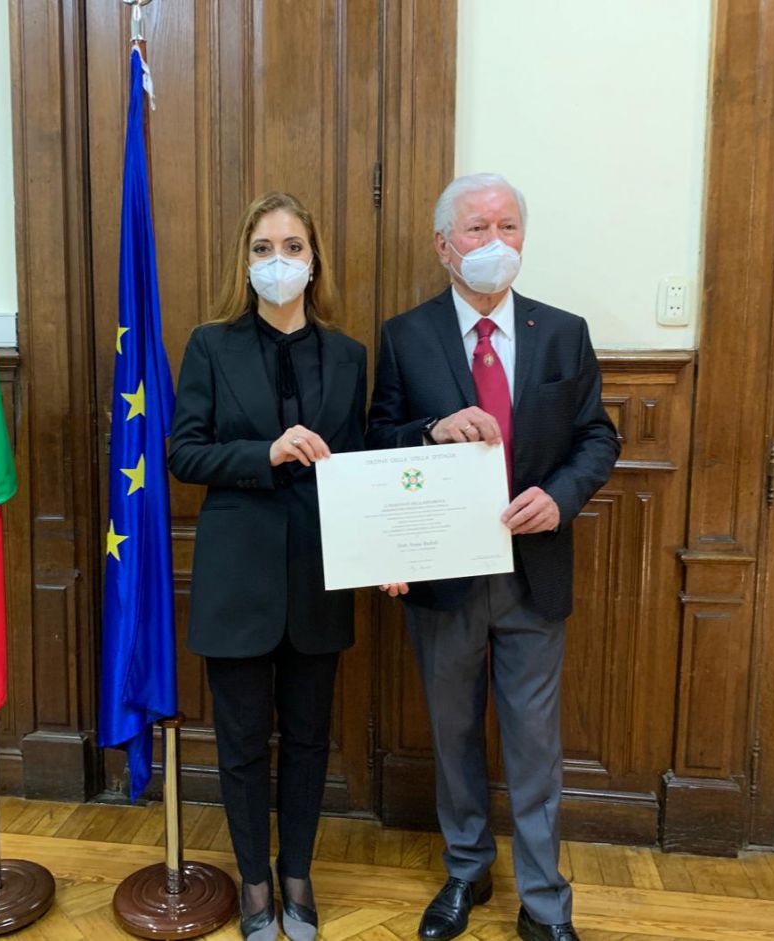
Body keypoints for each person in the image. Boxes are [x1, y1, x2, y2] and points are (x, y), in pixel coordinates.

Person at [367, 173, 620, 941]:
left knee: (536, 745)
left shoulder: (563, 332)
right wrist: (430, 429)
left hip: (532, 573)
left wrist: (562, 497)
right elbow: (377, 437)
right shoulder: (405, 335)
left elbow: (597, 436)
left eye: (508, 226)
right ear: (444, 245)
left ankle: (544, 904)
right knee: (453, 735)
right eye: (477, 229)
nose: (495, 242)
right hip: (442, 574)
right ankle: (468, 868)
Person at [169, 192, 366, 941]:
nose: (276, 261)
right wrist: (266, 453)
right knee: (243, 740)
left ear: (314, 261)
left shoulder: (348, 355)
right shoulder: (210, 345)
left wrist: (387, 548)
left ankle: (297, 872)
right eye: (262, 248)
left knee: (310, 738)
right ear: (244, 261)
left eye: (291, 246)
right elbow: (185, 452)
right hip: (237, 578)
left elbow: (360, 468)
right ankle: (255, 879)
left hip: (320, 574)